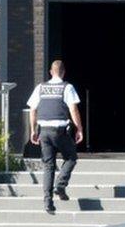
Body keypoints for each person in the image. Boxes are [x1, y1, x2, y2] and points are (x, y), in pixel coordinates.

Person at [27, 60, 84, 213]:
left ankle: (48, 203)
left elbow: (32, 110)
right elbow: (73, 110)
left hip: (44, 131)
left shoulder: (40, 87)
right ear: (64, 72)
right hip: (60, 131)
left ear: (51, 72)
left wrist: (33, 130)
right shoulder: (67, 87)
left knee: (48, 166)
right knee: (71, 158)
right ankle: (61, 184)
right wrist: (79, 129)